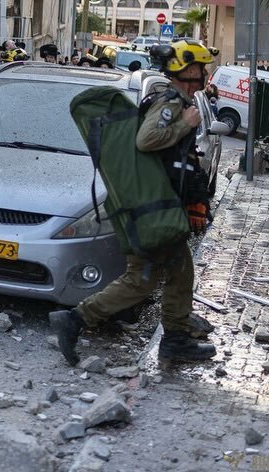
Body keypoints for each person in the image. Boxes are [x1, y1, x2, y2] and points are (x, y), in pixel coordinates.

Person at [50, 40, 218, 365]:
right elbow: (146, 140)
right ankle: (77, 319)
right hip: (152, 209)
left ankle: (174, 338)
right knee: (146, 278)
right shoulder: (170, 102)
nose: (205, 73)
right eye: (201, 68)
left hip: (158, 206)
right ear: (187, 71)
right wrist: (185, 124)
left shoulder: (177, 100)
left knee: (173, 273)